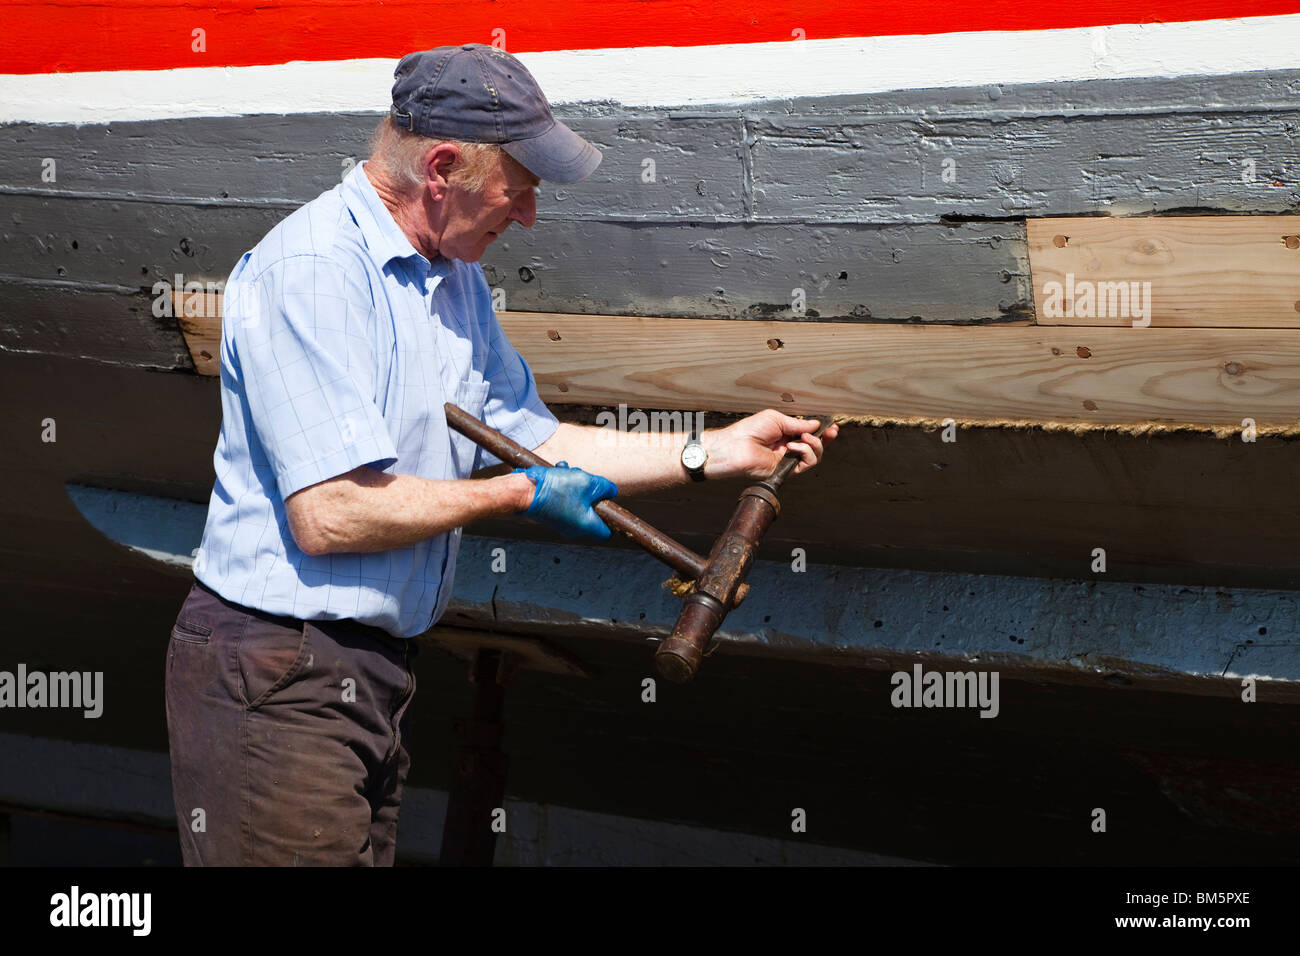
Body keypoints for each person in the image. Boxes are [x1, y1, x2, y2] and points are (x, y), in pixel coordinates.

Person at [164, 42, 838, 866]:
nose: (527, 217)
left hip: (363, 672)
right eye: (518, 192)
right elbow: (331, 514)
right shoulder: (311, 273)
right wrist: (516, 498)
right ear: (441, 168)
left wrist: (719, 450)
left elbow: (538, 441)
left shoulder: (450, 280)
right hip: (277, 669)